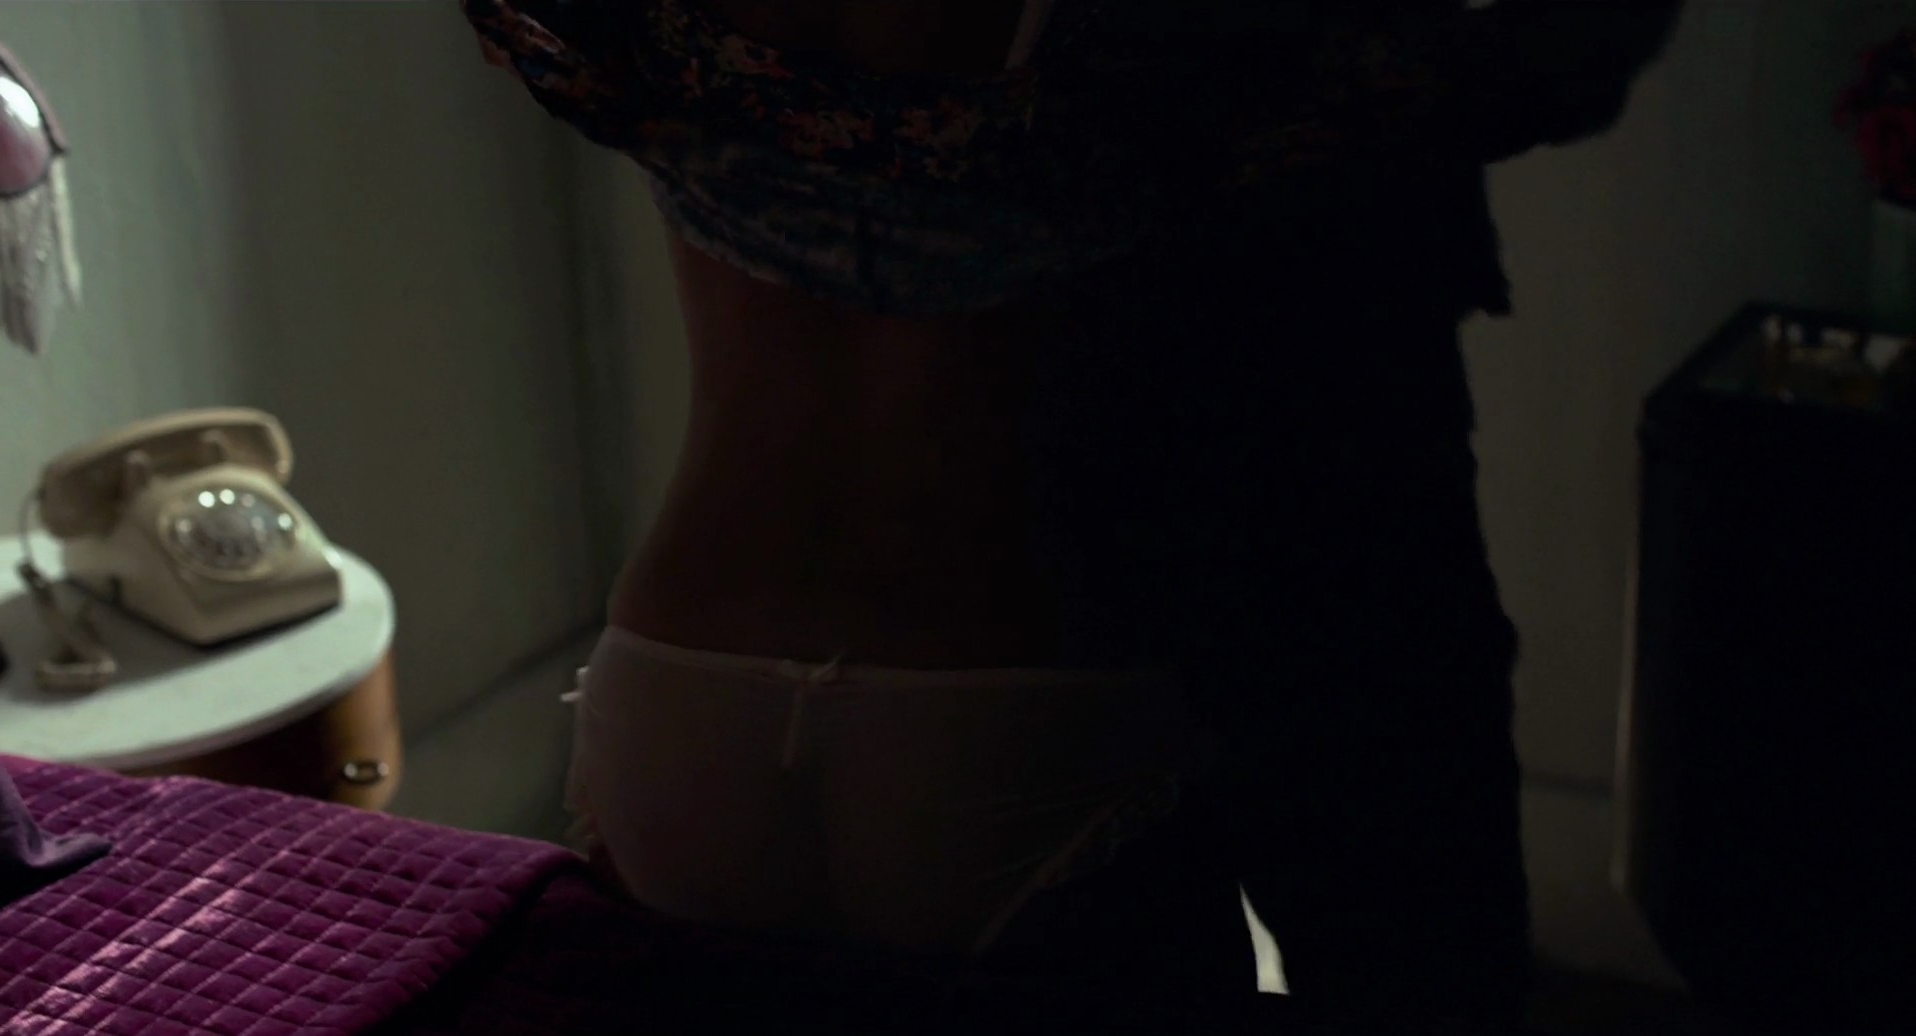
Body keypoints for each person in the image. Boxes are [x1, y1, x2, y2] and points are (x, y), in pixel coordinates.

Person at [465, 1, 1681, 1030]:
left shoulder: (633, 32)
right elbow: (1527, 65)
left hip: (681, 678)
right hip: (1016, 687)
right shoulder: (1143, 56)